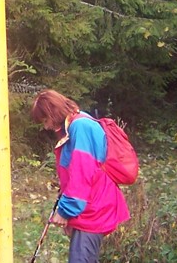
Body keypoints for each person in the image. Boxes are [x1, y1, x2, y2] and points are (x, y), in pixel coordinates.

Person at [30, 89, 129, 263]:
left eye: (45, 120)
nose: (46, 127)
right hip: (88, 208)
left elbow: (82, 174)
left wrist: (66, 211)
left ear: (53, 112)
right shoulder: (75, 126)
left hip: (94, 209)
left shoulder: (81, 127)